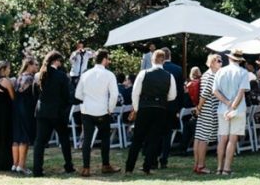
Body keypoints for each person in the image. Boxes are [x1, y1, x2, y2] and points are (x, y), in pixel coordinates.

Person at [125, 48, 176, 175]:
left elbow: (135, 93)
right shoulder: (169, 76)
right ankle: (147, 167)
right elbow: (172, 96)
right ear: (163, 61)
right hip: (160, 108)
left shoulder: (143, 73)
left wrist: (137, 109)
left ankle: (129, 168)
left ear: (152, 60)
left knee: (137, 139)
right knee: (154, 139)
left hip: (144, 108)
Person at [75, 49, 120, 177]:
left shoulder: (85, 74)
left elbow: (78, 94)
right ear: (104, 59)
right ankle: (105, 165)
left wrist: (87, 101)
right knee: (105, 138)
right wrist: (110, 109)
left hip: (87, 111)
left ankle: (86, 168)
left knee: (87, 139)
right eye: (108, 58)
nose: (109, 61)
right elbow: (114, 95)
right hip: (102, 111)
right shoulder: (109, 75)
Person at [32, 51, 75, 177]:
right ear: (56, 61)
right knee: (64, 140)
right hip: (58, 112)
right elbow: (66, 96)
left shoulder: (38, 75)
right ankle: (68, 166)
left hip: (42, 111)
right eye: (60, 61)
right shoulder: (61, 76)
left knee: (39, 142)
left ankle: (37, 169)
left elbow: (35, 94)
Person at [213, 49, 250, 175]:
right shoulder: (243, 72)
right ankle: (227, 168)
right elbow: (241, 92)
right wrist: (232, 107)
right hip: (237, 109)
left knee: (222, 139)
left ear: (229, 58)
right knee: (232, 139)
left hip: (223, 108)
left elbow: (215, 91)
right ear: (239, 60)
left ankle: (219, 168)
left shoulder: (220, 71)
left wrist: (227, 103)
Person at [192, 53, 222, 175]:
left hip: (204, 109)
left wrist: (199, 108)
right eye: (219, 61)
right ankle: (201, 165)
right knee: (204, 138)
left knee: (199, 137)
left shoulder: (205, 74)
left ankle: (197, 164)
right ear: (213, 62)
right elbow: (204, 94)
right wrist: (199, 107)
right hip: (208, 109)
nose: (221, 62)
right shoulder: (212, 76)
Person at [11, 57, 38, 175]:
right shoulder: (31, 78)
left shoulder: (19, 77)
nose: (37, 67)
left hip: (16, 108)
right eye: (35, 64)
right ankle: (21, 165)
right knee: (25, 138)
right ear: (29, 65)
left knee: (16, 138)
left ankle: (15, 164)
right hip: (26, 109)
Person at [159, 47, 186, 169]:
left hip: (158, 105)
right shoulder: (178, 69)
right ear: (170, 55)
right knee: (167, 133)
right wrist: (179, 107)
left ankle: (154, 157)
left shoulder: (158, 69)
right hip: (172, 105)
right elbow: (180, 91)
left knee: (156, 132)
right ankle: (164, 158)